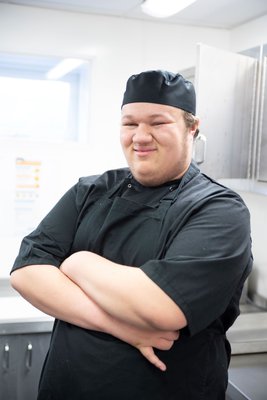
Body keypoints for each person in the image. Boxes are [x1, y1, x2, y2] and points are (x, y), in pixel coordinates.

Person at [10, 70, 253, 400]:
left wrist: (78, 263)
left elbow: (161, 307)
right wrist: (120, 325)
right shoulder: (90, 191)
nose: (140, 136)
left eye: (157, 123)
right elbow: (26, 273)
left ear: (192, 127)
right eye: (130, 123)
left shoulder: (218, 208)